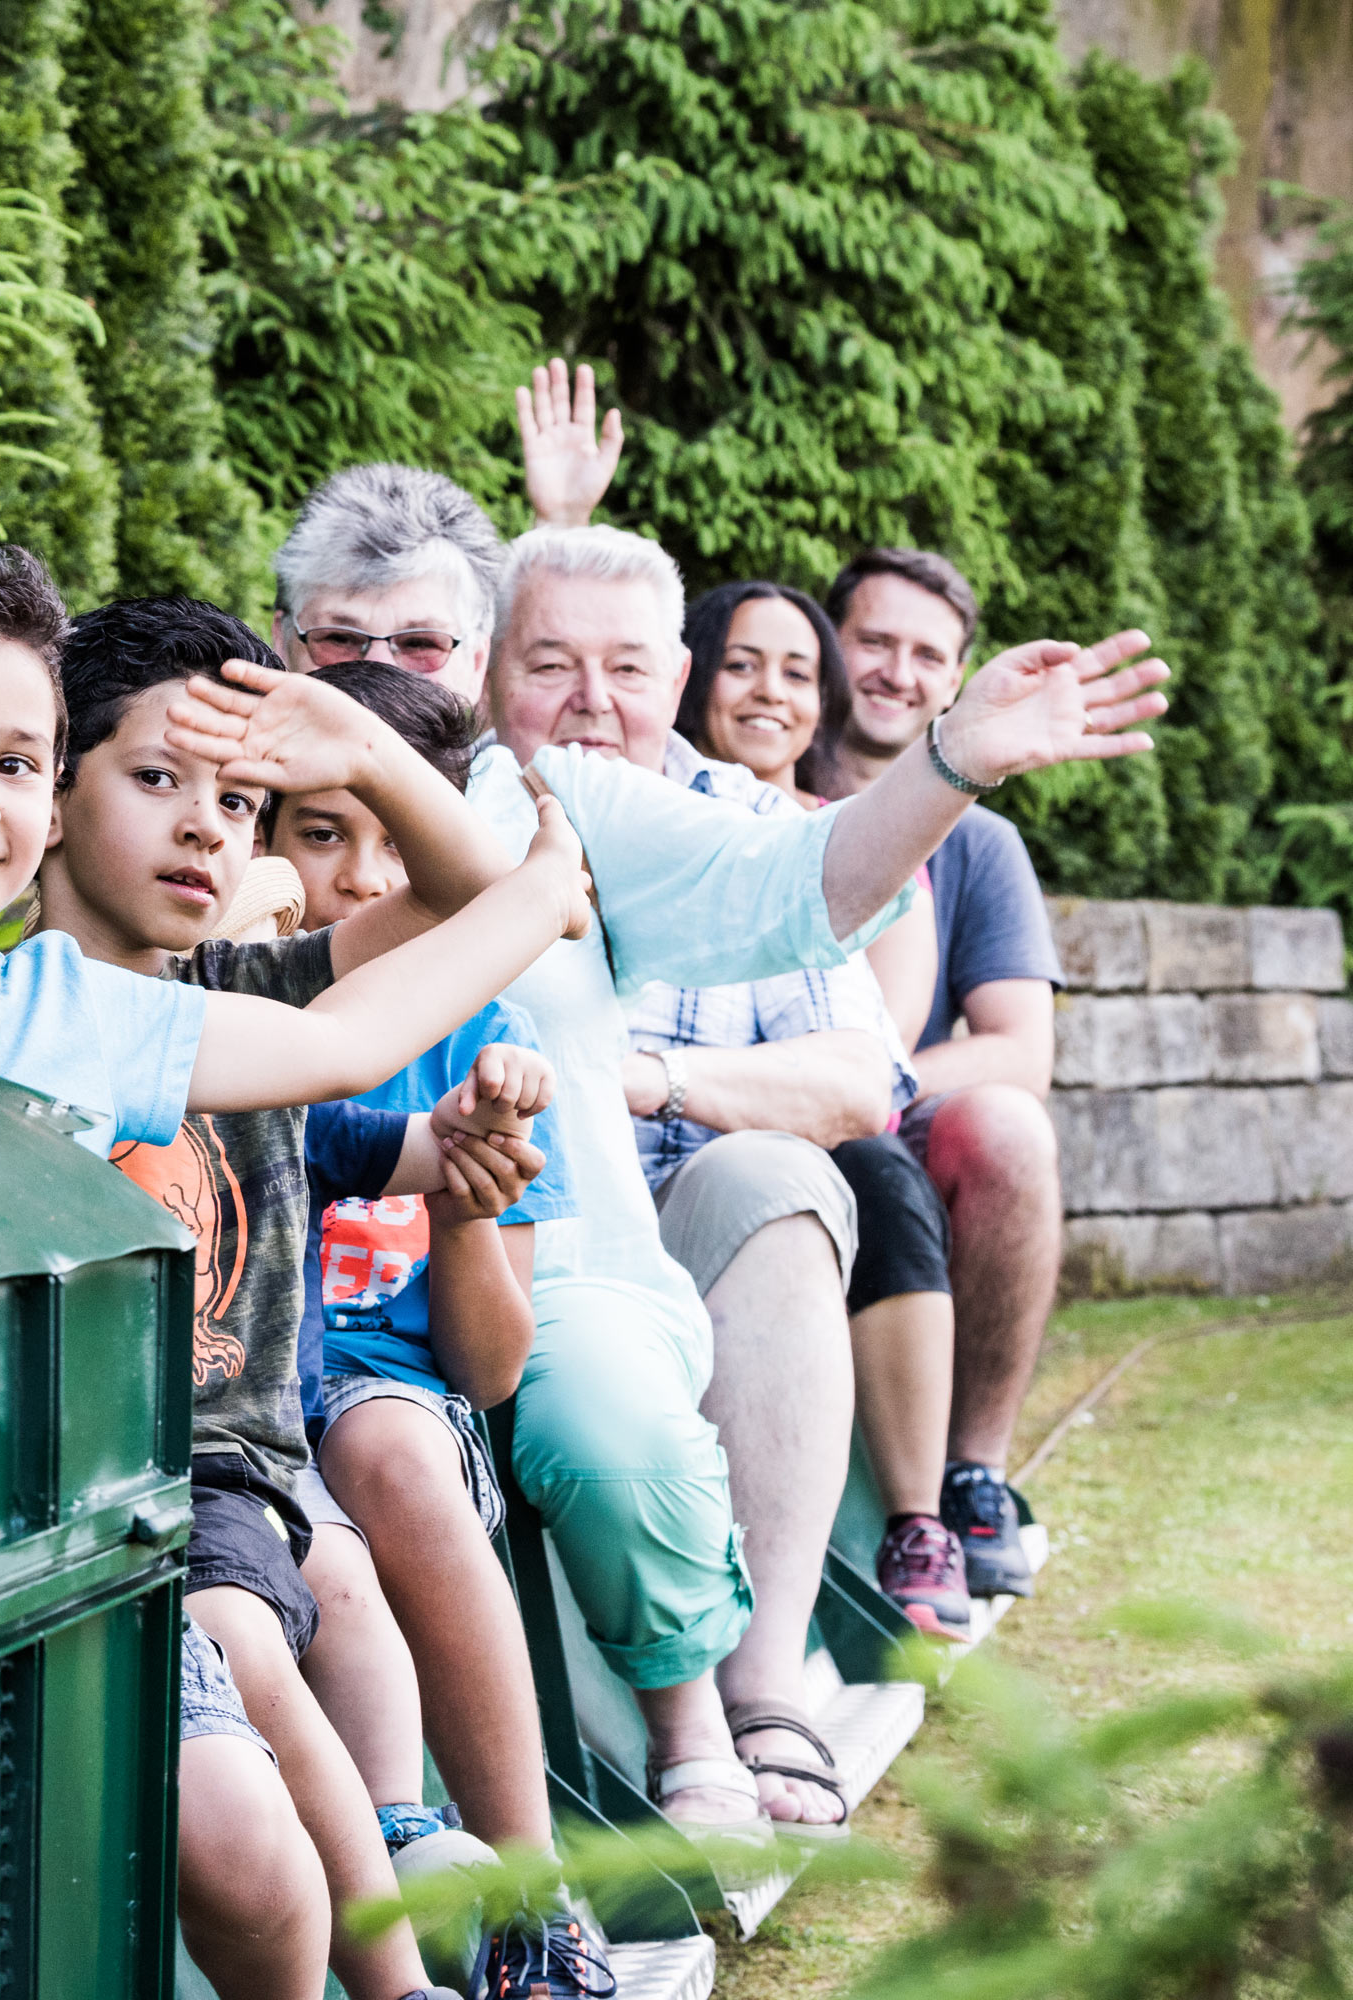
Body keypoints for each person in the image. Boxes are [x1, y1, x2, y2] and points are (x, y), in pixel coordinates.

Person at [0, 549, 592, 2000]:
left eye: (14, 762)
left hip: (71, 1553)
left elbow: (345, 1049)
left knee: (252, 1854)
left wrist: (533, 898)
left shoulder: (74, 1016)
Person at [259, 421, 1164, 1833]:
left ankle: (703, 1730)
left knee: (620, 1439)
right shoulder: (230, 792)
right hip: (281, 1285)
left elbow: (788, 886)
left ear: (474, 654)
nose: (380, 675)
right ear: (284, 638)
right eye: (340, 637)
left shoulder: (558, 804)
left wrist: (948, 761)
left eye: (425, 645)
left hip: (545, 1267)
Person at [32, 595, 559, 2000]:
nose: (209, 827)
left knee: (247, 1619)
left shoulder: (246, 998)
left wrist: (367, 756)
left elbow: (463, 899)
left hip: (226, 1475)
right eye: (158, 783)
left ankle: (404, 1929)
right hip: (92, 1488)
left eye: (244, 802)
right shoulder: (4, 1014)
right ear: (50, 787)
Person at [264, 658, 618, 2000]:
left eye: (394, 840)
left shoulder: (489, 1031)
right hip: (238, 1390)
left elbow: (489, 1366)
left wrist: (472, 1197)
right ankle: (394, 1849)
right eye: (317, 833)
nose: (359, 877)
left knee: (390, 1451)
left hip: (389, 1389)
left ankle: (531, 1894)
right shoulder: (249, 996)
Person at [679, 582, 971, 1637]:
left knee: (878, 1171)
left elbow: (870, 1062)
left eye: (798, 672)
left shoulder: (859, 839)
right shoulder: (649, 817)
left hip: (803, 1133)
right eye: (742, 663)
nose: (769, 691)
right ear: (691, 674)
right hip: (685, 1140)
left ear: (825, 701)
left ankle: (918, 1518)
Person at [807, 548, 1069, 1601]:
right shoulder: (749, 782)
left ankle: (972, 1471)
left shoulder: (983, 843)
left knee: (1005, 1126)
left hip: (886, 1097)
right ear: (830, 647)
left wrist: (861, 1073)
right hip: (728, 1090)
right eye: (874, 640)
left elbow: (1019, 1044)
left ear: (956, 680)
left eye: (928, 654)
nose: (895, 670)